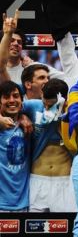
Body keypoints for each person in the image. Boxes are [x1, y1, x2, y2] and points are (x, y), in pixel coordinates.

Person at [22, 78, 76, 212]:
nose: (46, 108)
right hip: (38, 179)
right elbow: (10, 107)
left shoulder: (75, 112)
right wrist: (22, 117)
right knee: (33, 229)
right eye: (44, 103)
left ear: (63, 100)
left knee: (65, 229)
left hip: (65, 181)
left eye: (50, 105)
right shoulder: (34, 106)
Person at [0, 10, 65, 86]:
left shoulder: (32, 66)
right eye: (11, 40)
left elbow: (64, 77)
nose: (16, 44)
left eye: (19, 42)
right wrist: (8, 33)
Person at [0, 81, 31, 211]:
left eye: (16, 96)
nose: (12, 100)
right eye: (6, 97)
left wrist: (24, 117)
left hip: (26, 203)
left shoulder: (29, 122)